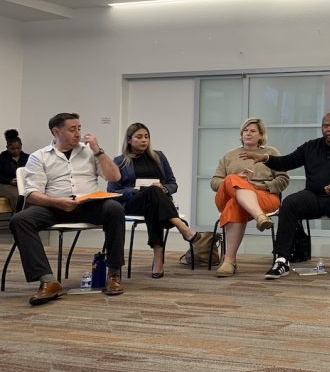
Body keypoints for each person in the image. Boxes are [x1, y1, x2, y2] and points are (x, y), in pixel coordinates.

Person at [9, 113, 125, 305]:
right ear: (56, 131)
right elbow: (32, 194)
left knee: (114, 209)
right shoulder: (40, 157)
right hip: (54, 207)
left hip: (88, 206)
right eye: (72, 129)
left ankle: (113, 274)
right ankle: (47, 280)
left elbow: (115, 177)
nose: (78, 133)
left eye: (79, 128)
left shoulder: (90, 152)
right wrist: (57, 202)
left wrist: (98, 150)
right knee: (20, 220)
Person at [242, 111, 330, 282]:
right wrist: (264, 158)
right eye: (326, 126)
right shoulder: (310, 147)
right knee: (289, 203)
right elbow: (287, 162)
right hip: (314, 196)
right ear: (322, 128)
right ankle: (282, 260)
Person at [107, 123, 201, 278]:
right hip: (132, 204)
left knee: (154, 198)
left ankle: (158, 254)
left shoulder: (159, 157)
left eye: (146, 136)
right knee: (152, 192)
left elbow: (172, 183)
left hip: (155, 203)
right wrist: (136, 190)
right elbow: (112, 191)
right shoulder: (119, 161)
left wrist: (164, 189)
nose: (144, 140)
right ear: (129, 140)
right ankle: (180, 226)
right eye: (139, 137)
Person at [210, 118, 290, 277]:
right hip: (227, 195)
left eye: (253, 131)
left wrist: (259, 186)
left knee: (236, 203)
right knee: (232, 179)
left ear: (261, 135)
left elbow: (283, 180)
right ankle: (259, 216)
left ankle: (229, 261)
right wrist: (236, 179)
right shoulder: (229, 156)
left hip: (263, 195)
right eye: (245, 130)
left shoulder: (271, 153)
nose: (248, 133)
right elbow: (214, 182)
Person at [0, 128, 29, 209]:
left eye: (18, 148)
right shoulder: (2, 158)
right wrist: (9, 181)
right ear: (7, 147)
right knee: (18, 195)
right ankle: (18, 217)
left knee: (31, 194)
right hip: (4, 184)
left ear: (21, 146)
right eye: (12, 149)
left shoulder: (27, 157)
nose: (16, 151)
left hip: (22, 184)